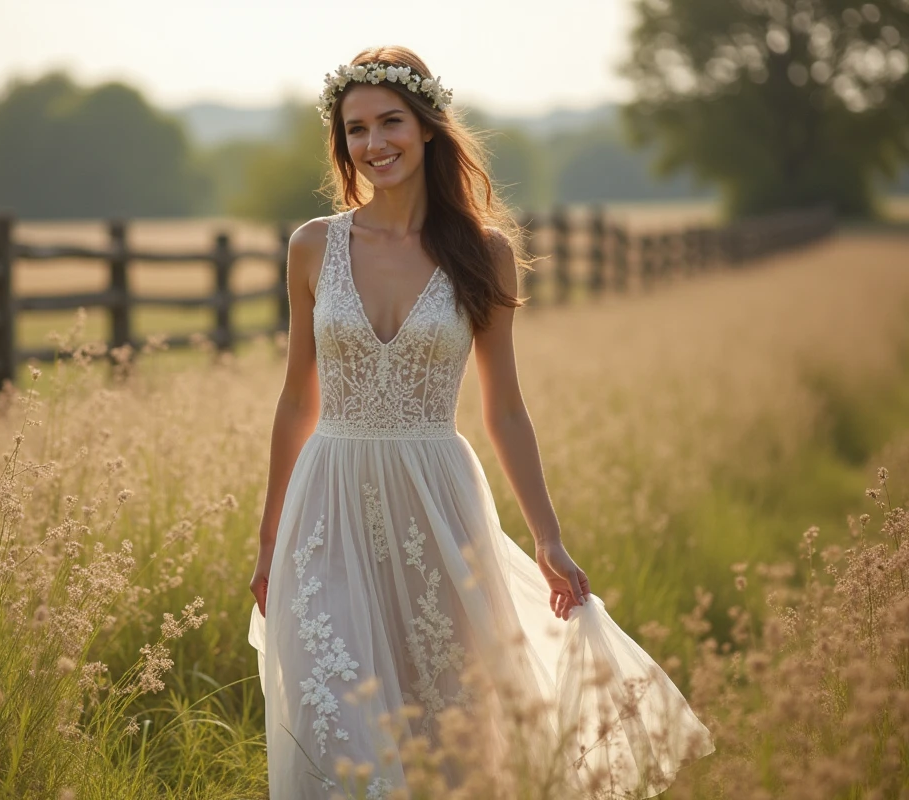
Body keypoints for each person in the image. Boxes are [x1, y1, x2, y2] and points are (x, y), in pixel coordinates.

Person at [247, 45, 714, 799]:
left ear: (428, 125)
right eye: (356, 129)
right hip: (326, 502)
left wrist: (548, 536)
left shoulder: (484, 254)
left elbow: (504, 408)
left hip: (438, 500)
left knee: (449, 717)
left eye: (390, 122)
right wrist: (270, 535)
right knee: (335, 712)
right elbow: (298, 398)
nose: (375, 144)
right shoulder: (313, 246)